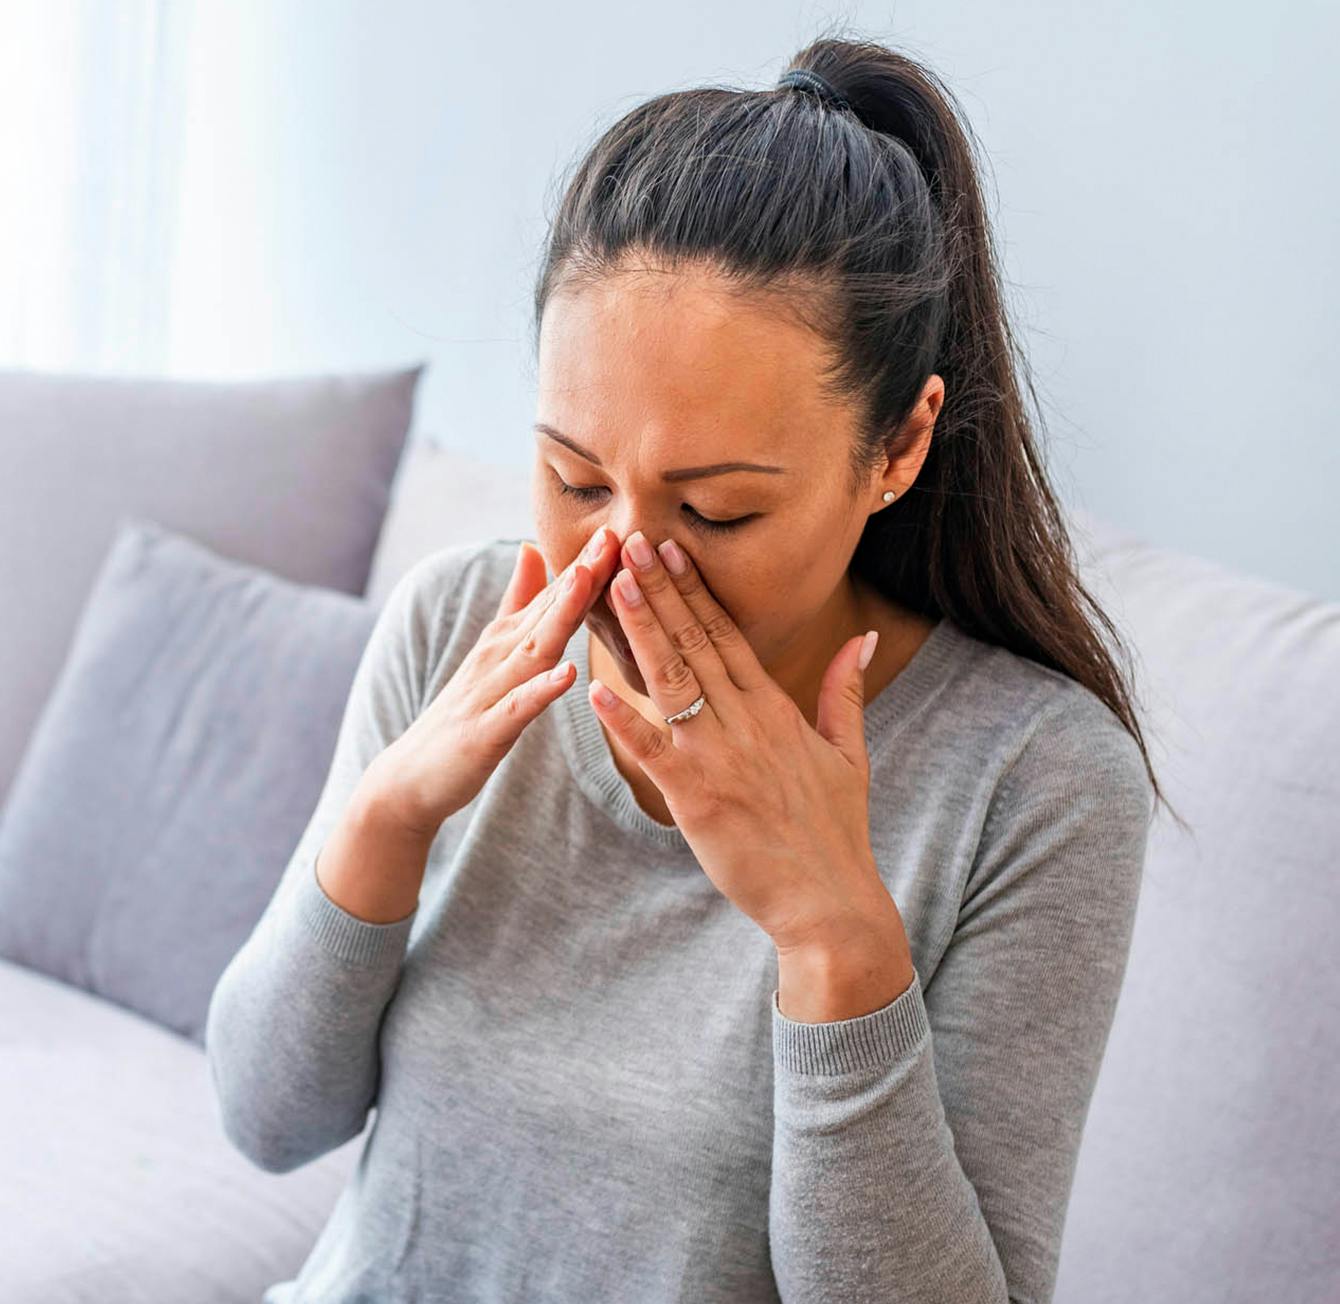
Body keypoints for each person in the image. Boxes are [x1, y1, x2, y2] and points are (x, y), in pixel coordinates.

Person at [206, 32, 1173, 1304]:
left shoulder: (1032, 784)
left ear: (898, 446)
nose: (619, 563)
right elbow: (268, 1119)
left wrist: (834, 938)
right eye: (571, 476)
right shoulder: (455, 622)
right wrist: (383, 822)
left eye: (713, 511)